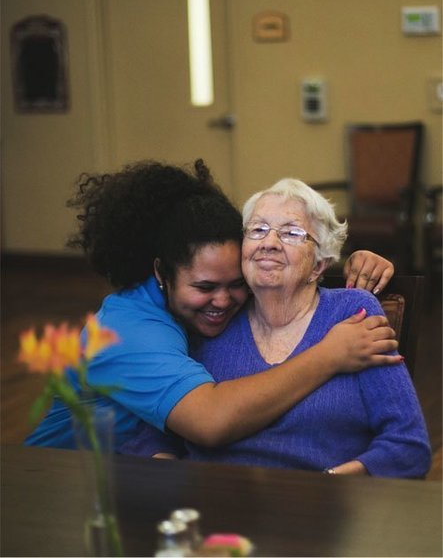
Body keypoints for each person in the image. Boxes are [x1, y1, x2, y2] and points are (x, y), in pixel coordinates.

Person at [24, 160, 400, 451]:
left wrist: (351, 261)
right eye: (204, 287)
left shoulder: (208, 299)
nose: (223, 301)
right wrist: (330, 355)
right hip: (63, 486)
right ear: (162, 273)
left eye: (236, 284)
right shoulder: (125, 330)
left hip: (138, 483)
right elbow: (211, 421)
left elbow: (288, 275)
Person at [122, 177, 431, 478]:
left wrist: (329, 482)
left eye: (292, 233)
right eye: (257, 230)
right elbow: (154, 430)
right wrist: (173, 476)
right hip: (213, 503)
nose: (269, 243)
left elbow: (408, 446)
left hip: (316, 512)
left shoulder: (352, 312)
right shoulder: (215, 315)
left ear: (320, 264)